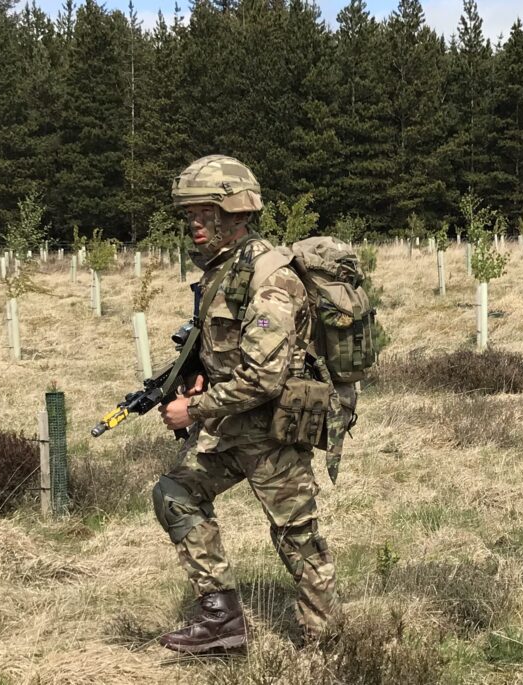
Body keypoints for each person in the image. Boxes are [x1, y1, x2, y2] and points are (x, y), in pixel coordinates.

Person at [153, 155, 342, 655]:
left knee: (297, 538)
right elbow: (225, 351)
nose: (192, 224)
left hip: (274, 432)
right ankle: (221, 621)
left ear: (234, 212)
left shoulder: (269, 278)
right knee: (175, 493)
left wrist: (192, 412)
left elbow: (263, 377)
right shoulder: (224, 271)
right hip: (230, 429)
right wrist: (196, 382)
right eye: (187, 214)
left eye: (203, 213)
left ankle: (326, 647)